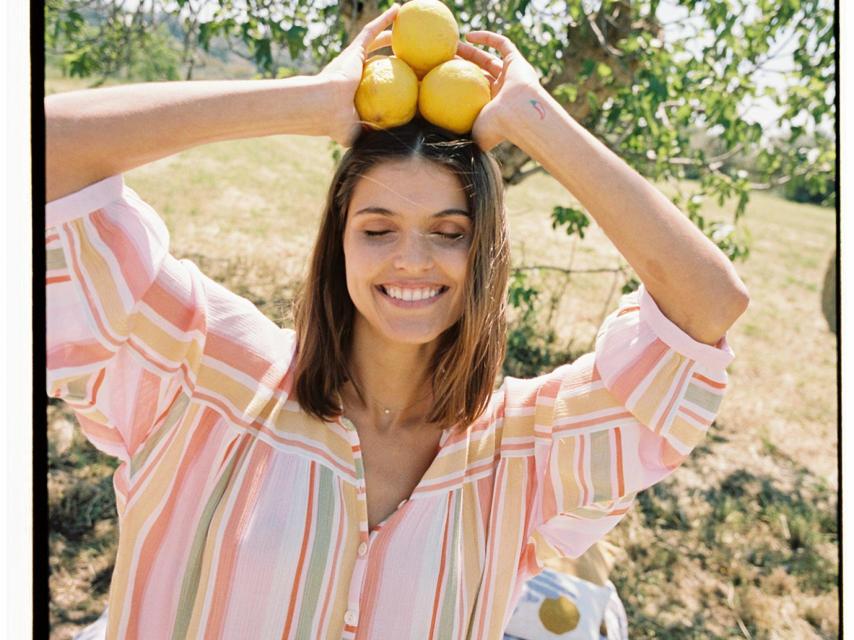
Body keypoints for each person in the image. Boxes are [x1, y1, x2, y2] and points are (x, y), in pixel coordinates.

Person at [46, 4, 749, 639]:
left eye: (448, 232)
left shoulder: (523, 449)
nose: (412, 261)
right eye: (378, 230)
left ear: (484, 255)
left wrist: (533, 116)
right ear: (338, 244)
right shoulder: (204, 371)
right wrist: (308, 102)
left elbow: (707, 306)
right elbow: (39, 153)